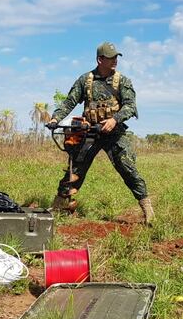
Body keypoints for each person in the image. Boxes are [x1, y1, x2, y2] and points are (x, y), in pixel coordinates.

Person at [46, 42, 154, 224]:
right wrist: (55, 119)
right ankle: (58, 208)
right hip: (90, 132)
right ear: (100, 59)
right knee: (75, 169)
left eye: (116, 58)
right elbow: (69, 102)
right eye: (111, 58)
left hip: (115, 133)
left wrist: (114, 120)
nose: (115, 61)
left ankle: (148, 211)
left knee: (128, 168)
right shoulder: (85, 80)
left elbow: (130, 107)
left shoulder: (123, 81)